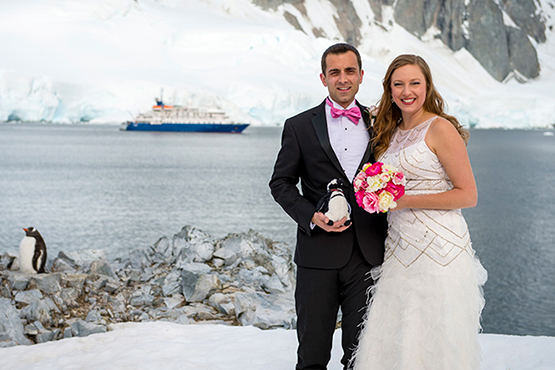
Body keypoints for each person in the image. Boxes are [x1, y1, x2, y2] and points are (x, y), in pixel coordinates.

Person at [351, 54, 487, 370]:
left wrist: (403, 199)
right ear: (389, 89)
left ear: (427, 86)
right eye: (398, 84)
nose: (406, 91)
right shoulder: (389, 131)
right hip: (399, 248)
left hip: (440, 250)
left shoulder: (440, 128)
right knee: (397, 333)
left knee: (435, 336)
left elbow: (468, 195)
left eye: (415, 83)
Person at [269, 43, 388, 370]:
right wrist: (311, 216)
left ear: (361, 76)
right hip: (316, 256)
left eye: (350, 71)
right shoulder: (298, 126)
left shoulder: (381, 123)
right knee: (312, 355)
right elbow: (280, 183)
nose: (343, 79)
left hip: (368, 256)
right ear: (323, 78)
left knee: (361, 355)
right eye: (335, 72)